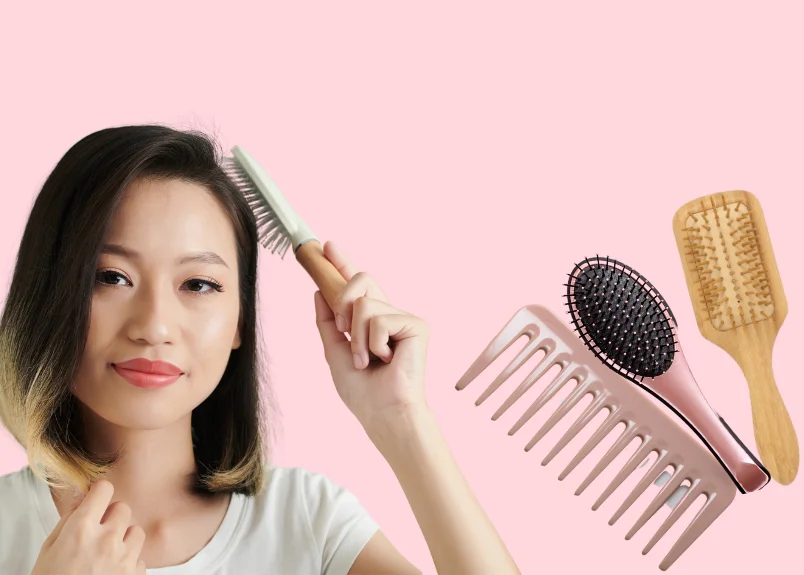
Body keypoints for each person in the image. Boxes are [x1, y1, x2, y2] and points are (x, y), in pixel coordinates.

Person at [0, 125, 520, 574]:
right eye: (111, 277)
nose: (154, 326)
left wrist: (402, 419)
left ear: (240, 322)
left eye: (198, 284)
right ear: (48, 295)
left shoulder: (307, 522)